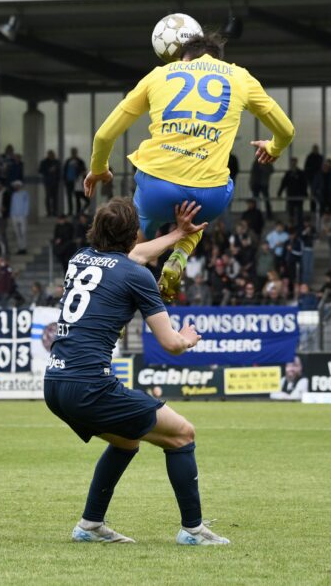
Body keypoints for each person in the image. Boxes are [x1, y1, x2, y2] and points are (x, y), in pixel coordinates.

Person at [45, 197, 229, 545]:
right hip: (89, 386)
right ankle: (193, 531)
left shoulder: (79, 258)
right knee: (182, 434)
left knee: (127, 441)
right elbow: (170, 344)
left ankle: (90, 525)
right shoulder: (138, 276)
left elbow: (134, 257)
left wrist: (178, 233)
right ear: (133, 234)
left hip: (55, 383)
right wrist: (187, 338)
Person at [83, 32, 294, 302]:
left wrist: (99, 167)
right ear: (217, 57)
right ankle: (179, 257)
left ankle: (121, 300)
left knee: (136, 237)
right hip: (209, 196)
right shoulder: (240, 77)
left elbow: (103, 136)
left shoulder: (160, 75)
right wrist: (273, 148)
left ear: (183, 57)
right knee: (216, 186)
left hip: (156, 188)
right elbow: (287, 130)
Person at [277, 156, 307, 228]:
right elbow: (283, 183)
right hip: (290, 195)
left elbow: (304, 184)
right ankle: (291, 226)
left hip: (299, 195)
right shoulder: (288, 173)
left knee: (299, 211)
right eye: (292, 162)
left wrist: (305, 193)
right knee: (291, 212)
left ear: (296, 163)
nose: (293, 164)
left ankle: (300, 225)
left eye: (294, 162)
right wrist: (279, 192)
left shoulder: (300, 173)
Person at [63, 148, 87, 216]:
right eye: (72, 152)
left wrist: (78, 168)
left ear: (76, 152)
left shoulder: (79, 161)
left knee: (77, 197)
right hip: (69, 181)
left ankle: (78, 212)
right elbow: (64, 171)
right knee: (69, 197)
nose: (73, 153)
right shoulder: (68, 161)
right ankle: (70, 211)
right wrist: (65, 179)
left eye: (74, 152)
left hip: (77, 182)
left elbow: (83, 170)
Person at [9, 180, 30, 255]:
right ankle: (20, 247)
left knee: (23, 232)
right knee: (17, 232)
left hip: (22, 215)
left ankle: (24, 247)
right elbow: (12, 205)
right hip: (14, 215)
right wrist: (11, 214)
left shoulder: (24, 193)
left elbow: (26, 203)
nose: (16, 187)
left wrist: (25, 213)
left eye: (17, 186)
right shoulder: (14, 194)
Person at [39, 150, 61, 217]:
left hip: (55, 182)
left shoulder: (57, 162)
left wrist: (56, 174)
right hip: (47, 182)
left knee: (55, 197)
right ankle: (49, 212)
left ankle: (55, 212)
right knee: (48, 197)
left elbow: (60, 171)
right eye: (50, 154)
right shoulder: (44, 162)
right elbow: (40, 170)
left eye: (52, 154)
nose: (51, 155)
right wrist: (48, 170)